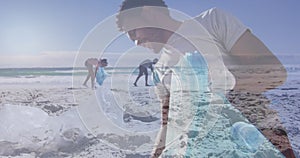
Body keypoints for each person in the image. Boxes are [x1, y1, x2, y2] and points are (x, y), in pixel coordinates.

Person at [116, 0, 294, 157]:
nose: (136, 43)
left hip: (259, 135)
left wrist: (217, 82)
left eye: (133, 33)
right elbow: (167, 125)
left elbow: (275, 73)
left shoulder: (212, 21)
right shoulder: (159, 70)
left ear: (148, 12)